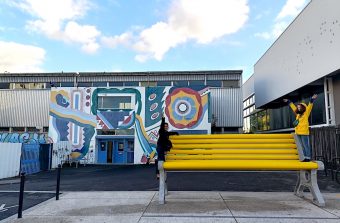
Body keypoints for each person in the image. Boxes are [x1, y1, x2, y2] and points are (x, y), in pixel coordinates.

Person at [283, 94, 318, 162]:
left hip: (304, 132)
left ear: (303, 107)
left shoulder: (306, 113)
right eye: (298, 107)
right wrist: (288, 101)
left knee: (306, 146)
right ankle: (304, 157)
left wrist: (312, 99)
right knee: (302, 146)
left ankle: (308, 157)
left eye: (299, 107)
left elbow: (310, 106)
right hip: (298, 132)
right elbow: (293, 108)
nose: (298, 108)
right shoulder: (298, 114)